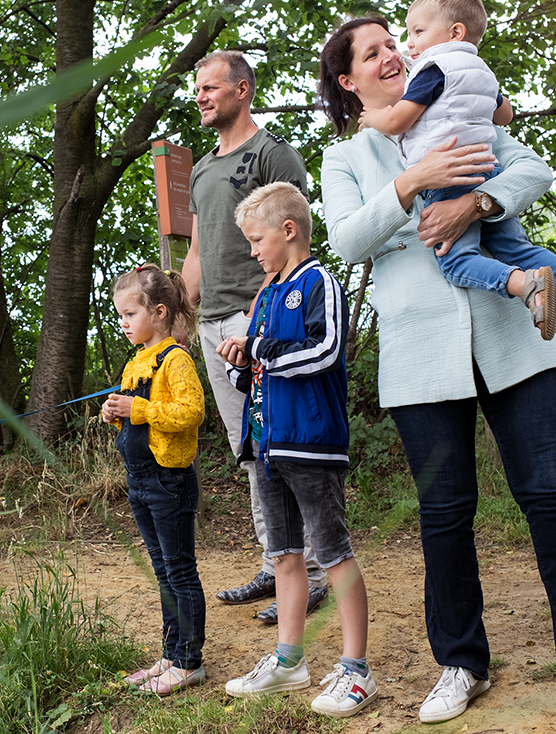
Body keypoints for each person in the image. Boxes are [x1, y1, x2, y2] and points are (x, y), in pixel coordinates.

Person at [316, 15, 556, 722]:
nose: (392, 55)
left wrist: (474, 202)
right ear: (349, 80)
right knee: (445, 513)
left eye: (394, 43)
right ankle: (461, 663)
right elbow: (344, 240)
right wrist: (414, 184)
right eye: (373, 53)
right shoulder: (348, 159)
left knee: (551, 495)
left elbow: (529, 167)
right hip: (419, 354)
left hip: (513, 334)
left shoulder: (454, 100)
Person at [361, 0, 556, 351]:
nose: (409, 44)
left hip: (448, 177)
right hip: (487, 169)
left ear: (454, 33)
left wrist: (375, 118)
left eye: (417, 31)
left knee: (456, 262)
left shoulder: (432, 69)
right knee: (517, 246)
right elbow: (505, 114)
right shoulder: (481, 70)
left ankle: (524, 285)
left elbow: (401, 119)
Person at [218, 182, 377, 720]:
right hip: (267, 445)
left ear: (289, 232)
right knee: (285, 556)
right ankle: (290, 662)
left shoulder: (318, 283)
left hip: (311, 446)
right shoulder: (264, 296)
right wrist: (241, 362)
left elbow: (325, 351)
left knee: (332, 555)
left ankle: (357, 671)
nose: (254, 251)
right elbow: (260, 375)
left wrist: (259, 349)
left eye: (258, 239)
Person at [182, 50, 329, 622]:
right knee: (249, 451)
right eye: (198, 89)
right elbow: (196, 253)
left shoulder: (273, 155)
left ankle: (314, 572)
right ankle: (279, 565)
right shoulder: (199, 169)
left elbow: (292, 246)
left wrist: (268, 316)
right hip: (212, 323)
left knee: (282, 447)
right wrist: (178, 311)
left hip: (259, 319)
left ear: (243, 89)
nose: (201, 96)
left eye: (211, 87)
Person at [103, 265, 207, 695]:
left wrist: (137, 410)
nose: (124, 323)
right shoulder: (136, 360)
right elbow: (136, 421)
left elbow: (191, 413)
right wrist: (114, 415)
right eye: (120, 316)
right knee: (163, 572)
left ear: (159, 311)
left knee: (180, 572)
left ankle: (190, 662)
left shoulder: (175, 359)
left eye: (130, 315)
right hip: (140, 481)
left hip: (169, 482)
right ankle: (170, 655)